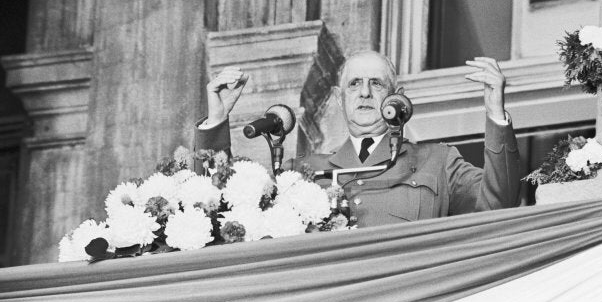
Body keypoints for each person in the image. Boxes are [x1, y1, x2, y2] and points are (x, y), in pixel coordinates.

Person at [195, 51, 520, 227]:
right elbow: (225, 207)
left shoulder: (438, 161)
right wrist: (216, 121)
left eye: (376, 83)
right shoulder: (299, 170)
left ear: (398, 96)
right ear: (340, 98)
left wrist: (495, 114)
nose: (364, 92)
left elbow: (498, 202)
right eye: (354, 84)